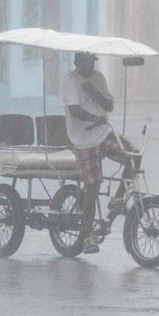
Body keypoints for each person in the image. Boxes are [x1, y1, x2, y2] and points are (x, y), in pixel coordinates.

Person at [62, 52, 138, 254]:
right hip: (82, 139)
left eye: (90, 63)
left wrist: (95, 92)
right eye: (84, 63)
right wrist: (93, 119)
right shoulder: (71, 80)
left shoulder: (98, 78)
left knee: (133, 156)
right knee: (93, 184)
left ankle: (118, 200)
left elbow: (109, 106)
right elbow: (75, 111)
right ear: (77, 62)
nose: (87, 67)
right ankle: (87, 236)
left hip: (104, 133)